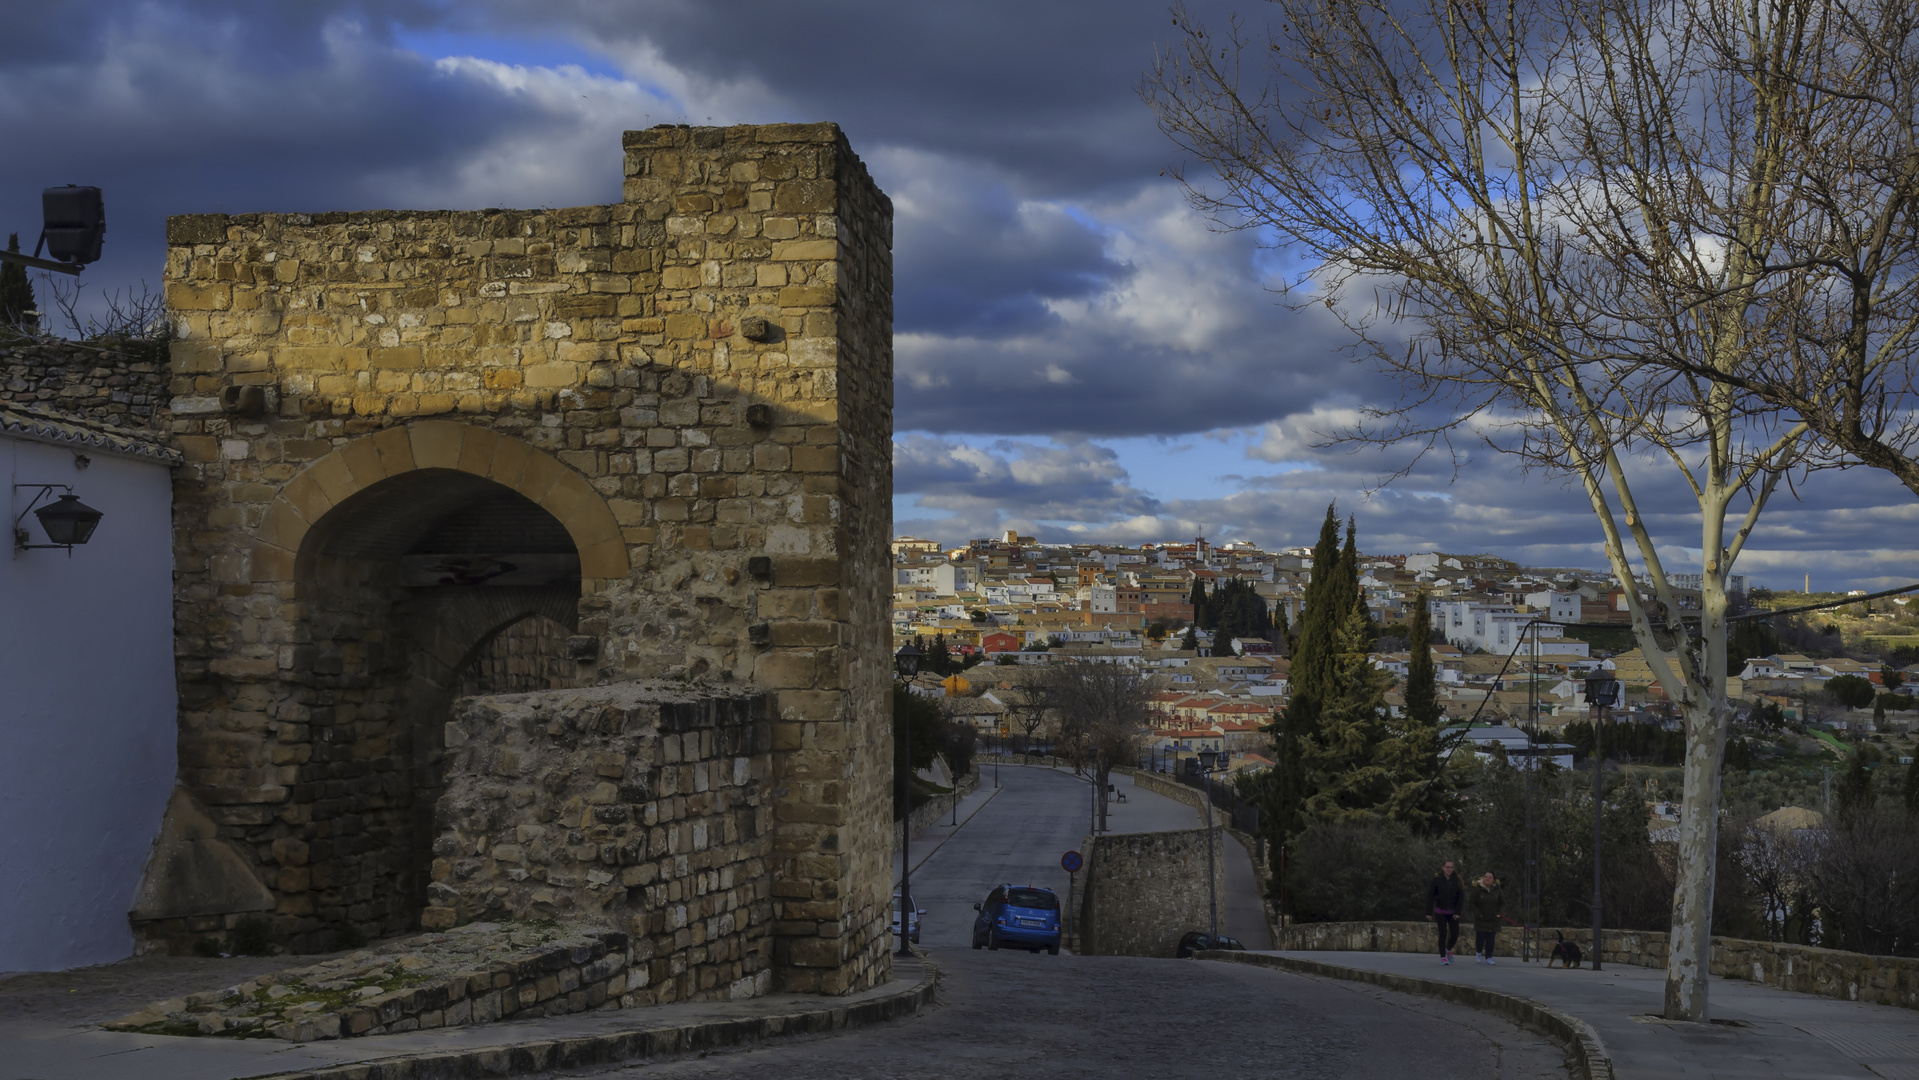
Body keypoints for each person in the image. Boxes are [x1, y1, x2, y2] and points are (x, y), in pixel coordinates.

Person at [1425, 859, 1464, 964]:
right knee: (1442, 933)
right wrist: (1429, 912)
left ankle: (1448, 949)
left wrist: (1458, 912)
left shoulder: (1457, 880)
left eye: (1451, 867)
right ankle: (1443, 957)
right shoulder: (1437, 879)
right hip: (1440, 911)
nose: (1449, 869)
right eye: (1447, 867)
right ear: (1443, 867)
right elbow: (1430, 896)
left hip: (1453, 912)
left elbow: (1461, 897)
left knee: (1455, 934)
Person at [1469, 870, 1504, 965]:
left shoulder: (1497, 890)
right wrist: (1477, 913)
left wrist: (1499, 913)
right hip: (1481, 918)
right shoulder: (1477, 889)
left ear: (1493, 880)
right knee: (1480, 937)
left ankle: (1489, 957)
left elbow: (1502, 903)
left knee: (1491, 939)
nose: (1487, 879)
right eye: (1486, 877)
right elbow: (1472, 903)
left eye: (1490, 877)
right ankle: (1479, 952)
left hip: (1493, 919)